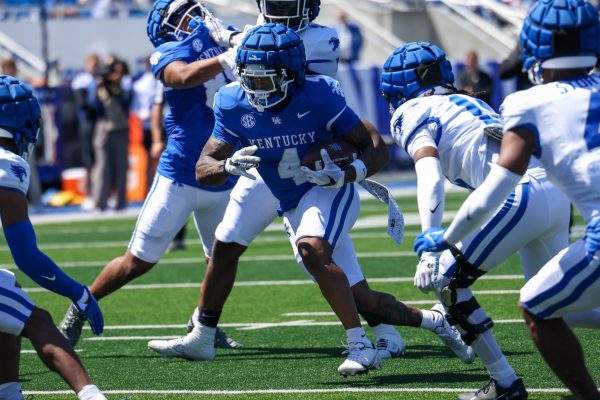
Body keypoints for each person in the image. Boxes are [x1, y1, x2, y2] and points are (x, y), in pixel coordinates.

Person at [148, 22, 475, 375]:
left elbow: (374, 146)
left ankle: (359, 345)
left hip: (328, 187)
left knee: (312, 248)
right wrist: (226, 163)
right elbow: (203, 166)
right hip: (289, 201)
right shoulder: (232, 101)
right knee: (363, 299)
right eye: (248, 78)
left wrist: (349, 173)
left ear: (289, 75)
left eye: (264, 79)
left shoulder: (319, 94)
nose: (254, 88)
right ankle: (435, 321)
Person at [413, 0, 600, 398]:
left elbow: (492, 193)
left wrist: (447, 237)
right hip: (570, 216)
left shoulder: (526, 103)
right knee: (560, 298)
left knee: (535, 304)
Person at [381, 41, 571, 400]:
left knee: (447, 281)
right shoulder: (470, 101)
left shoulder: (411, 111)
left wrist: (430, 246)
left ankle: (504, 382)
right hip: (553, 189)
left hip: (518, 195)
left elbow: (429, 174)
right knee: (558, 303)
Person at [59, 0, 240, 349]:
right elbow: (182, 76)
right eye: (183, 14)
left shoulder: (220, 40)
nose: (195, 16)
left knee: (221, 260)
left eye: (193, 9)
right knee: (137, 262)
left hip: (221, 172)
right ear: (168, 27)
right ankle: (79, 306)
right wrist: (223, 57)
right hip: (182, 174)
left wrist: (235, 41)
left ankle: (203, 321)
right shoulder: (169, 51)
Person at [0, 75, 106, 400]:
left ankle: (8, 392)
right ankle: (92, 397)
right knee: (37, 320)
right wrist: (79, 293)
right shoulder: (8, 166)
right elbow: (27, 257)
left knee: (8, 292)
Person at [91, 57, 132, 212]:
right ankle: (99, 203)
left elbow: (126, 103)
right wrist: (102, 85)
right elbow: (94, 107)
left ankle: (121, 202)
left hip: (120, 128)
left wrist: (116, 86)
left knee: (121, 167)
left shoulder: (124, 85)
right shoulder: (99, 87)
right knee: (102, 167)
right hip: (104, 128)